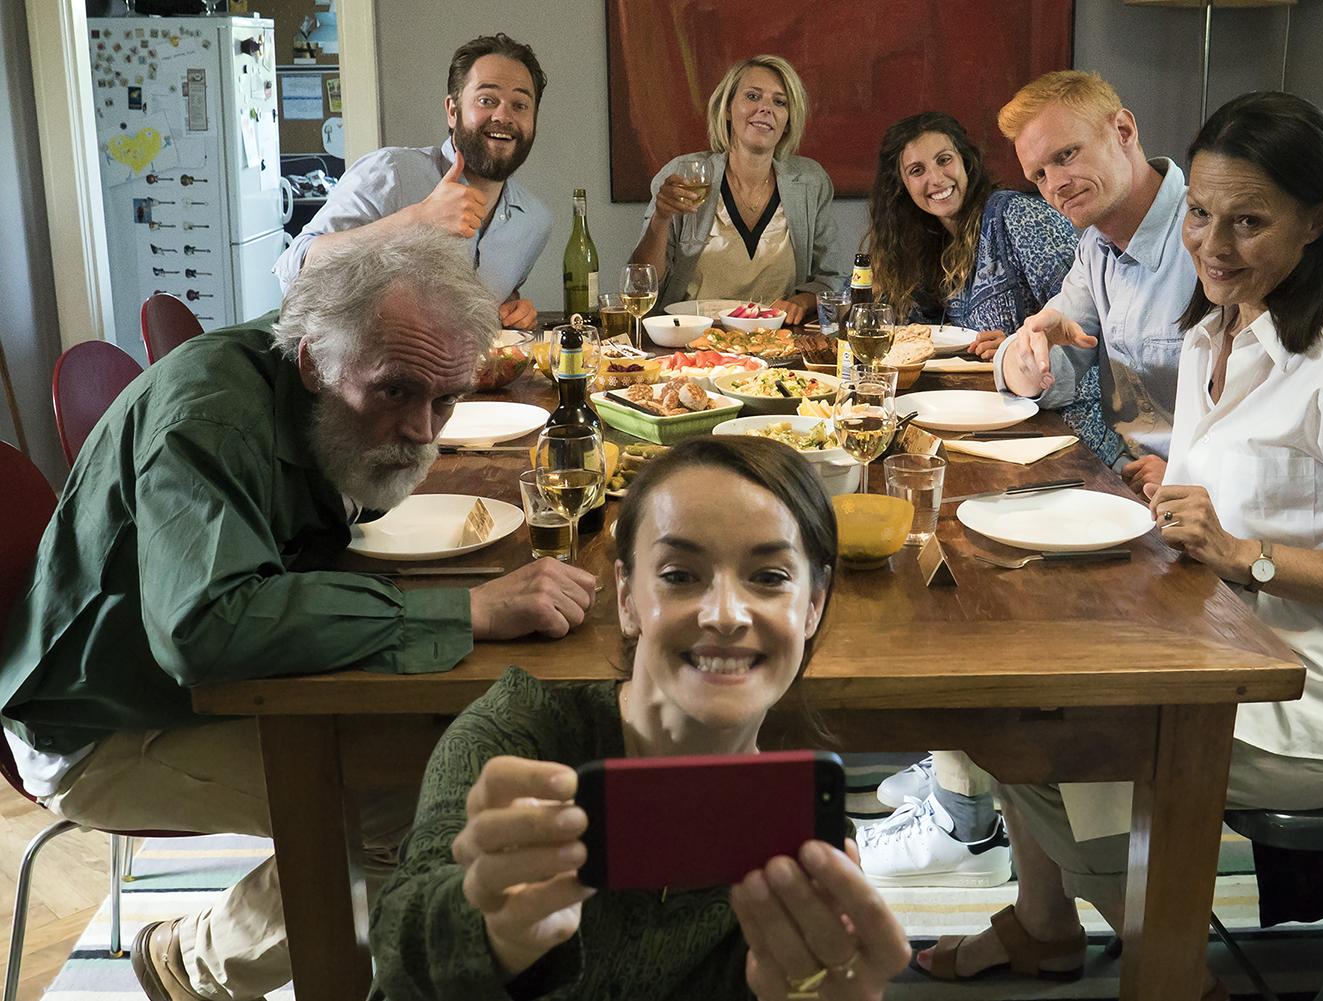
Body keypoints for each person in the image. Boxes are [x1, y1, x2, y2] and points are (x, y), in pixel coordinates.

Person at [915, 92, 1323, 1001]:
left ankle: (1169, 970)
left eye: (1248, 222)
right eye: (1202, 216)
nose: (1212, 245)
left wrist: (1242, 550)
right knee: (1005, 690)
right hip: (1227, 649)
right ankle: (1070, 928)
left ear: (1317, 220)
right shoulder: (1216, 330)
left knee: (1040, 740)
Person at [0, 227, 597, 1001]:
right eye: (395, 391)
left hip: (178, 683)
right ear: (313, 360)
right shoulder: (210, 415)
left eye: (446, 398)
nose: (424, 431)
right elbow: (203, 626)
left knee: (444, 744)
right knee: (416, 796)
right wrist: (466, 610)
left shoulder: (321, 364)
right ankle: (192, 964)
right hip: (97, 724)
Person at [370, 437, 911, 1000]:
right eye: (679, 575)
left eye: (770, 577)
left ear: (813, 605)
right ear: (627, 597)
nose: (725, 615)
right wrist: (488, 931)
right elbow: (398, 947)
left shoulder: (798, 835)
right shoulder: (521, 735)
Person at [854, 110, 1109, 888]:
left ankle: (964, 817)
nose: (934, 179)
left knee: (951, 575)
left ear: (968, 159)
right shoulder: (925, 241)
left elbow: (1085, 312)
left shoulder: (1014, 216)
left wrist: (1030, 342)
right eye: (915, 171)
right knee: (919, 538)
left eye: (943, 161)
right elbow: (891, 326)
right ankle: (953, 766)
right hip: (984, 432)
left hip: (1066, 436)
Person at [984, 70, 1199, 498]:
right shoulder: (1094, 246)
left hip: (1208, 502)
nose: (1055, 186)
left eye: (1065, 155)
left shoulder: (1208, 232)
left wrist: (1191, 471)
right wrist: (1028, 354)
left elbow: (1268, 407)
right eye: (1039, 175)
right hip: (1128, 482)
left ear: (1123, 131)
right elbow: (1048, 377)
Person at [274, 33, 550, 330]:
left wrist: (513, 309)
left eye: (520, 105)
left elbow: (496, 296)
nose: (503, 116)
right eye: (486, 100)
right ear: (453, 111)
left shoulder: (534, 223)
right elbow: (295, 271)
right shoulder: (390, 173)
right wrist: (417, 220)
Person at [629, 55, 839, 325]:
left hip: (776, 341)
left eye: (779, 102)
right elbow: (639, 285)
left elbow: (832, 280)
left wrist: (803, 300)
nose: (766, 108)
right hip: (692, 340)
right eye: (752, 96)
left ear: (788, 120)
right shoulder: (684, 174)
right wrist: (660, 218)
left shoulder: (810, 182)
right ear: (727, 108)